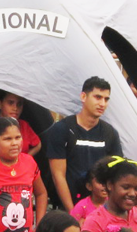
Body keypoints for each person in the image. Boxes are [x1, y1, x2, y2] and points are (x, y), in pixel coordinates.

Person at [44, 77, 123, 211]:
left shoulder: (110, 133)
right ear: (83, 96)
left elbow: (116, 175)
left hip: (102, 210)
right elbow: (58, 176)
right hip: (69, 207)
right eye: (97, 97)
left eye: (106, 99)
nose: (102, 103)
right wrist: (73, 213)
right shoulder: (62, 129)